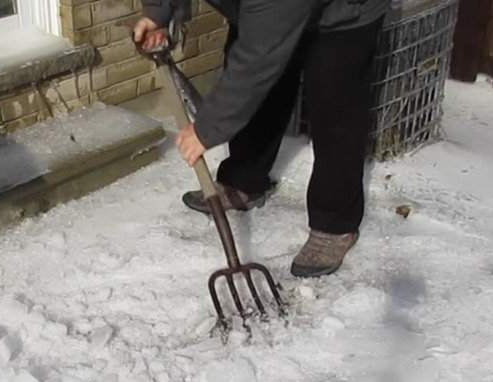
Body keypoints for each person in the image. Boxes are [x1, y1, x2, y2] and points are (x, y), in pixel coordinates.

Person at [134, 0, 391, 278]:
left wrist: (206, 129)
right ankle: (245, 178)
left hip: (343, 13)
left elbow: (259, 59)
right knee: (259, 80)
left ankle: (334, 222)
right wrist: (158, 13)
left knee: (336, 109)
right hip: (265, 12)